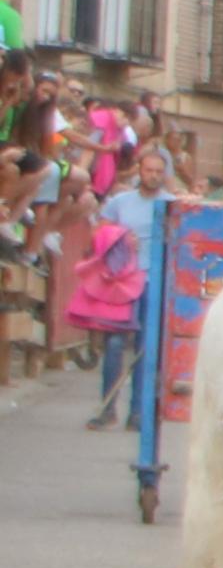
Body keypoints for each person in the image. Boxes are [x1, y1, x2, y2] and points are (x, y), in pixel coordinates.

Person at [62, 160, 144, 430]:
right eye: (149, 170)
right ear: (141, 170)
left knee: (146, 349)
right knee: (115, 346)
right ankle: (107, 407)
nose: (153, 175)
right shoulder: (120, 202)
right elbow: (99, 237)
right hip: (121, 282)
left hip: (154, 279)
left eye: (159, 171)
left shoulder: (169, 203)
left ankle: (138, 412)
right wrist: (119, 236)